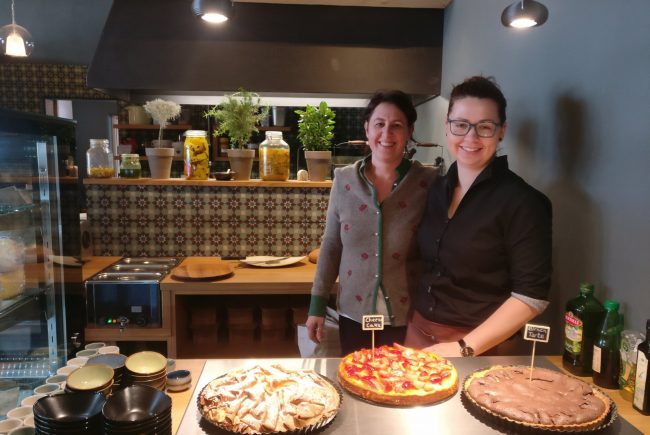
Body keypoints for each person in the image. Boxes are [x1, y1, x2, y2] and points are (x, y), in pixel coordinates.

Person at [405, 76, 552, 357]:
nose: (470, 138)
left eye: (484, 127)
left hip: (479, 347)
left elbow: (531, 296)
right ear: (446, 127)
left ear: (501, 131)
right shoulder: (434, 189)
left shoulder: (523, 202)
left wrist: (463, 347)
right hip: (418, 334)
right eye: (460, 125)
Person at [306, 90, 437, 355]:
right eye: (379, 124)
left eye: (397, 125)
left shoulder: (429, 181)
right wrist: (316, 307)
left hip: (408, 315)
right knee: (357, 380)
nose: (386, 134)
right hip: (353, 315)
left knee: (401, 387)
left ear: (410, 131)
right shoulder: (343, 180)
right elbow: (331, 245)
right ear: (367, 128)